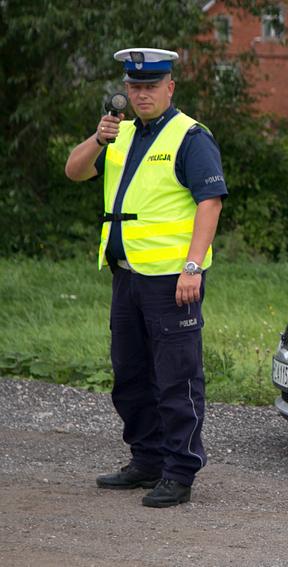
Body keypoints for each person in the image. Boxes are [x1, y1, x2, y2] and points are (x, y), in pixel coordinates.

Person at [64, 48, 227, 508]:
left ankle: (179, 471)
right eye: (135, 87)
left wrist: (193, 266)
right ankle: (147, 460)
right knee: (131, 375)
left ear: (169, 87)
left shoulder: (190, 136)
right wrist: (98, 138)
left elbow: (210, 202)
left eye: (151, 86)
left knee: (177, 379)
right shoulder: (119, 134)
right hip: (127, 277)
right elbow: (74, 171)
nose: (141, 94)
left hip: (172, 280)